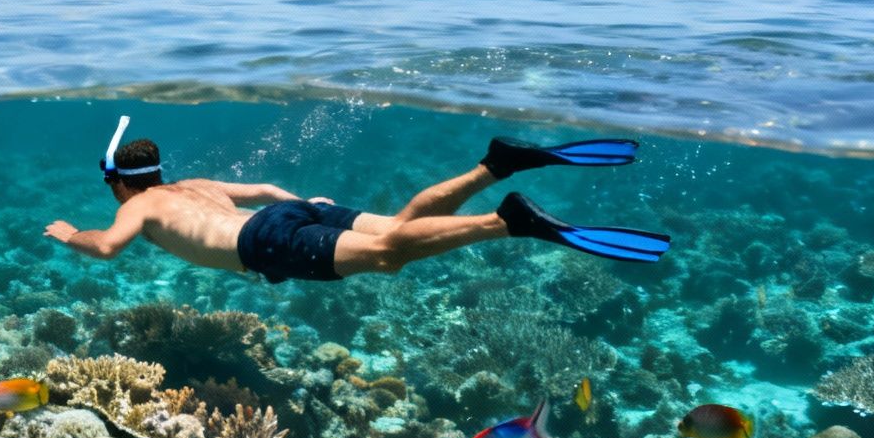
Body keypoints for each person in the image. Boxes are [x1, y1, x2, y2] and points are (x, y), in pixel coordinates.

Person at [44, 117, 670, 284]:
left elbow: (106, 248)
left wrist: (70, 232)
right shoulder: (195, 184)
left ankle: (508, 222)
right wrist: (304, 205)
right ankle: (495, 163)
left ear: (119, 180)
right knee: (400, 224)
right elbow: (263, 191)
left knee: (389, 254)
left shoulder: (142, 205)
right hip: (282, 217)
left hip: (264, 240)